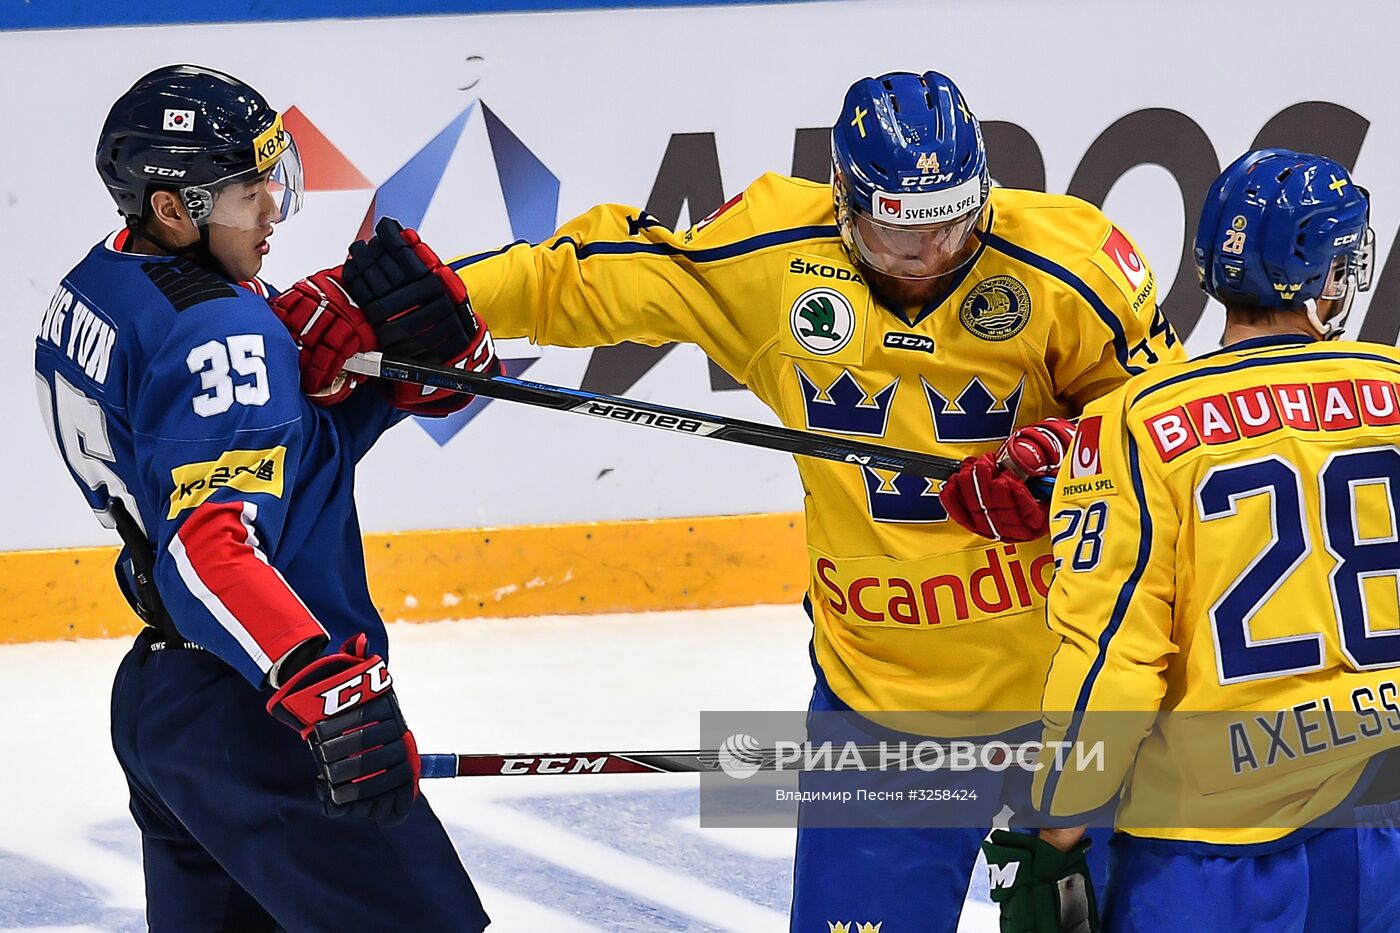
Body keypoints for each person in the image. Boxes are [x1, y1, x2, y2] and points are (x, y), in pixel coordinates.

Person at [278, 71, 1184, 930]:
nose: (930, 256)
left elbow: (1170, 439)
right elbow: (593, 275)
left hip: (1077, 693)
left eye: (953, 228)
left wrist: (1069, 461)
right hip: (884, 701)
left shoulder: (1075, 266)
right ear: (843, 202)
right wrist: (432, 300)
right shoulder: (771, 252)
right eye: (901, 234)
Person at [34, 64, 495, 930]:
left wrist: (387, 383)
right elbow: (210, 547)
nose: (274, 209)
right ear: (174, 207)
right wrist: (325, 689)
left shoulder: (102, 283)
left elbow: (266, 453)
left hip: (166, 707)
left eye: (274, 179)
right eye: (251, 191)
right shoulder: (224, 328)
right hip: (261, 717)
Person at [985, 149, 1400, 932]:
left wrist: (1058, 826)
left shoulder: (1135, 422)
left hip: (1209, 854)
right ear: (1317, 276)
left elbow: (1113, 657)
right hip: (1383, 830)